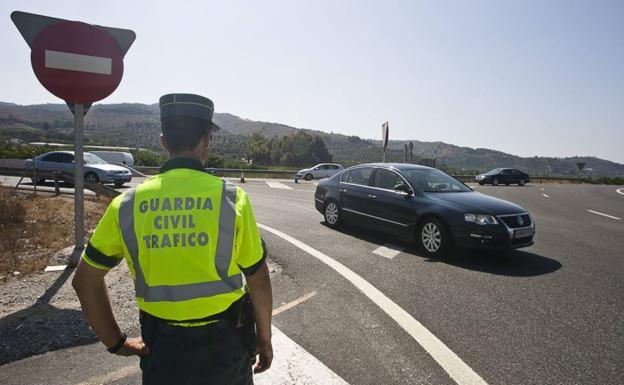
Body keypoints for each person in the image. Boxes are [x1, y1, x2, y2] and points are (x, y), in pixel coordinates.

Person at [72, 93, 273, 385]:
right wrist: (264, 339)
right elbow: (259, 280)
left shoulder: (126, 204)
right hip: (225, 349)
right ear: (207, 140)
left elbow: (84, 282)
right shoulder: (232, 199)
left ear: (164, 141)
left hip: (162, 349)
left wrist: (117, 343)